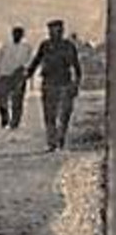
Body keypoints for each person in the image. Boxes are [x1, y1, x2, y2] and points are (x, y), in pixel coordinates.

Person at [26, 19, 82, 151]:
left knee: (64, 114)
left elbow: (77, 67)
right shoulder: (45, 45)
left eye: (57, 30)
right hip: (49, 84)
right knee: (49, 115)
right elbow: (36, 61)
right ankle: (52, 142)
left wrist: (76, 85)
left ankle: (61, 138)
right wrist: (28, 74)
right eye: (51, 30)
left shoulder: (69, 46)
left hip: (65, 84)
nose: (53, 33)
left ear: (62, 31)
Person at [0, 25, 32, 130]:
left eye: (19, 33)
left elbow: (29, 61)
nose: (16, 35)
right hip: (4, 74)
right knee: (1, 98)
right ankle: (4, 119)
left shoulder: (26, 47)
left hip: (18, 76)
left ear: (22, 35)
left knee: (17, 100)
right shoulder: (5, 46)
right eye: (15, 33)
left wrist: (24, 71)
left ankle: (15, 122)